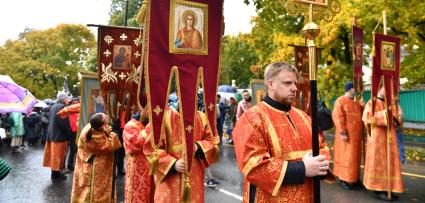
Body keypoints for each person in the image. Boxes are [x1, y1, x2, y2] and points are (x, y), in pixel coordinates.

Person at [233, 62, 332, 202]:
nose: (294, 88)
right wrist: (303, 168)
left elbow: (321, 146)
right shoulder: (252, 118)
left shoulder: (303, 117)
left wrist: (321, 164)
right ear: (271, 84)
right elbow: (253, 165)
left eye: (295, 83)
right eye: (287, 83)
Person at [143, 97, 218, 202]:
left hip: (194, 178)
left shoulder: (202, 118)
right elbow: (151, 148)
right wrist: (173, 164)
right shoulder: (164, 118)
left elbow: (213, 142)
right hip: (170, 183)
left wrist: (199, 147)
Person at [362, 85, 404, 201]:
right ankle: (378, 189)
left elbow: (397, 120)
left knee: (390, 161)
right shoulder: (371, 102)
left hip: (390, 138)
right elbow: (367, 119)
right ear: (380, 88)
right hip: (377, 139)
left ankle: (389, 187)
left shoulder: (391, 103)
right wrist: (386, 114)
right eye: (387, 88)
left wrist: (399, 113)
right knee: (379, 162)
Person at [71, 113, 122, 203]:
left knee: (86, 186)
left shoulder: (91, 126)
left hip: (87, 161)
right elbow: (112, 145)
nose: (107, 116)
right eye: (105, 118)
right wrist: (112, 135)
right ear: (101, 124)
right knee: (95, 188)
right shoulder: (93, 138)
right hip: (95, 165)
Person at [332, 81, 364, 190]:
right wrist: (342, 132)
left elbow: (363, 115)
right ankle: (343, 178)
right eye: (354, 88)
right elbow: (337, 117)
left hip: (356, 137)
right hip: (346, 136)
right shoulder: (340, 101)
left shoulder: (356, 102)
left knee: (355, 158)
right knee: (346, 157)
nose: (356, 90)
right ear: (349, 89)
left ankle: (354, 179)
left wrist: (363, 105)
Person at [123, 110, 152, 203]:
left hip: (152, 168)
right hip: (137, 170)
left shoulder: (148, 123)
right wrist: (151, 127)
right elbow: (138, 144)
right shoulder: (130, 126)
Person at [43, 92, 72, 182]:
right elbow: (63, 123)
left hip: (53, 135)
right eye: (67, 99)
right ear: (63, 99)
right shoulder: (62, 107)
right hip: (59, 136)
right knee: (58, 156)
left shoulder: (54, 106)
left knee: (54, 156)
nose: (68, 100)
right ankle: (56, 176)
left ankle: (55, 175)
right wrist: (69, 134)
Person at [57, 97, 80, 171]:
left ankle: (74, 164)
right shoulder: (68, 110)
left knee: (76, 149)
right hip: (71, 131)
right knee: (73, 149)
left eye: (76, 102)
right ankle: (70, 165)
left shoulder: (78, 110)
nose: (75, 104)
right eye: (74, 102)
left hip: (78, 131)